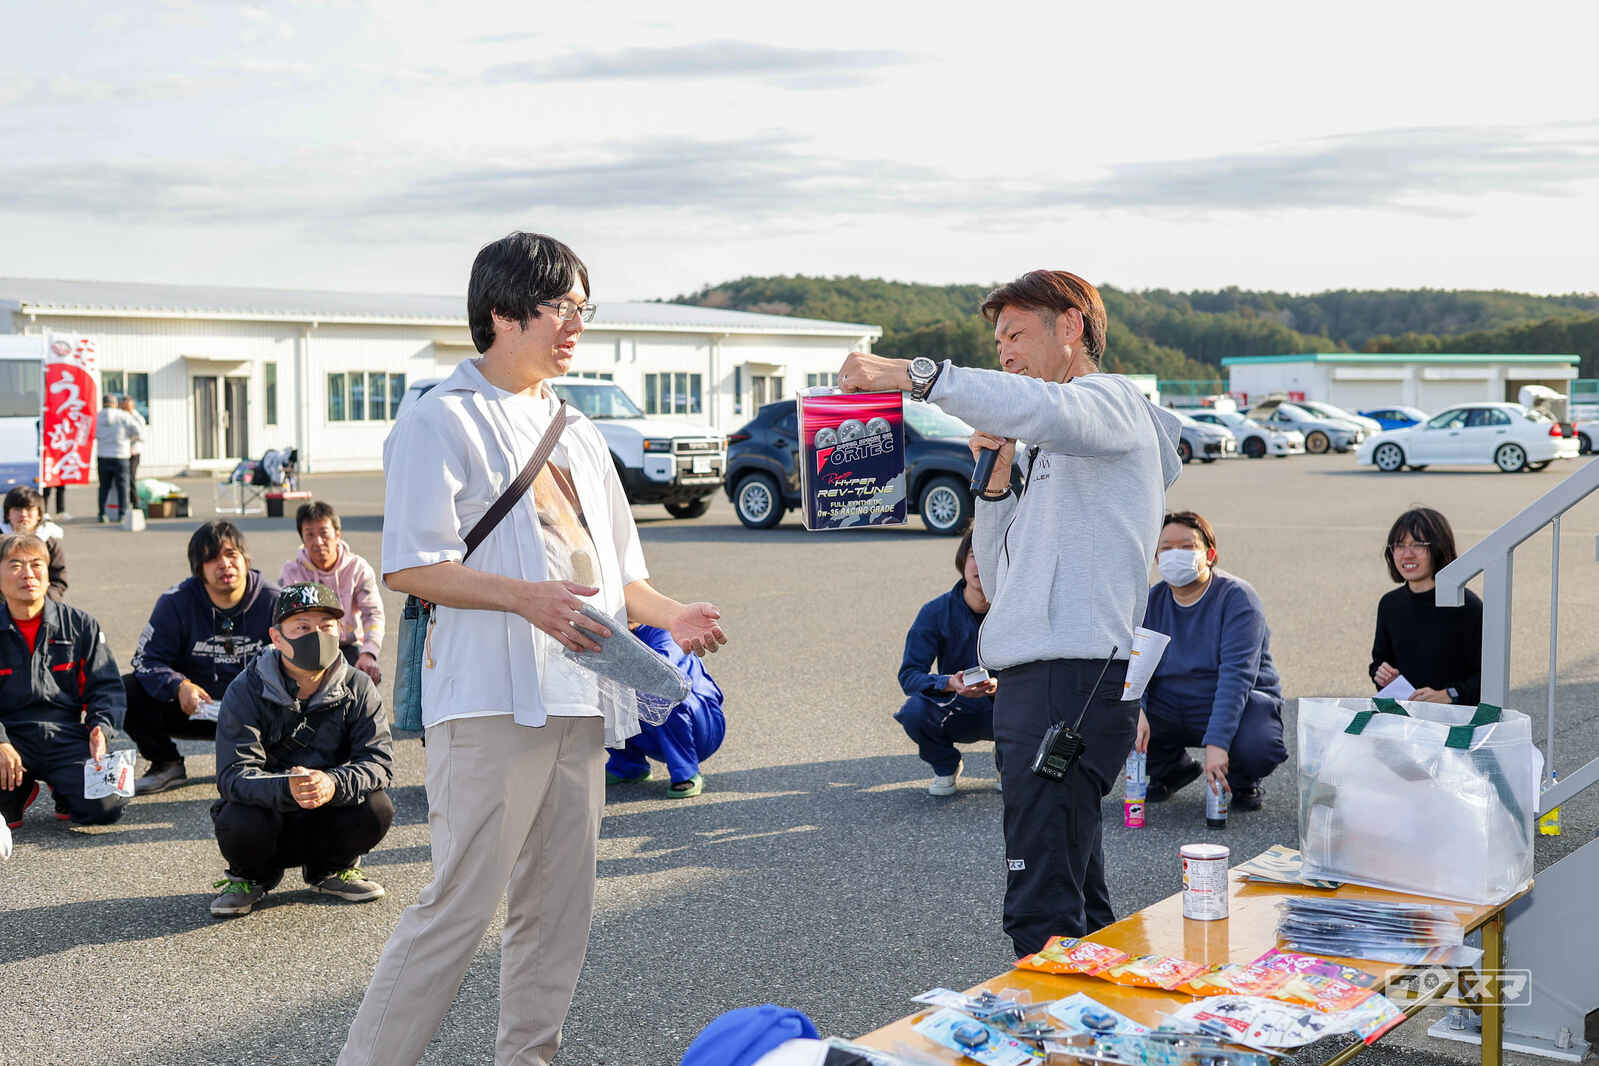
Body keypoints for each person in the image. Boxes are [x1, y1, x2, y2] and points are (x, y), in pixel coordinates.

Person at [339, 231, 728, 1066]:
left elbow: (620, 573)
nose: (576, 324)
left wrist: (674, 614)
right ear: (502, 313)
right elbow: (410, 564)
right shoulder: (440, 417)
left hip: (581, 695)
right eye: (561, 307)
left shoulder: (576, 428)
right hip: (487, 699)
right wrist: (525, 599)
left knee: (557, 910)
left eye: (583, 307)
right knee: (457, 906)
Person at [839, 269, 1182, 956]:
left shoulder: (1110, 404)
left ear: (1071, 327)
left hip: (1071, 677)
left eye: (1016, 334)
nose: (1004, 352)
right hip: (1037, 678)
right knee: (1071, 879)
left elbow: (1040, 406)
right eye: (997, 342)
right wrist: (995, 491)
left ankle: (1050, 1015)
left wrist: (912, 375)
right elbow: (1001, 582)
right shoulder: (1053, 446)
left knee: (1041, 898)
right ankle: (1097, 1009)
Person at [208, 582, 395, 918]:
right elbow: (233, 775)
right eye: (303, 627)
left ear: (341, 631)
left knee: (377, 806)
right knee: (238, 817)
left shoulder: (358, 686)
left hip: (329, 809)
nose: (317, 636)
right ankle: (250, 877)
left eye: (326, 626)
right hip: (269, 815)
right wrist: (287, 787)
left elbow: (378, 762)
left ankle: (331, 869)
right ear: (277, 638)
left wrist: (332, 783)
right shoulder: (245, 690)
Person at [1134, 511, 1286, 812]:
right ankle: (1170, 768)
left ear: (1210, 554)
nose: (1175, 554)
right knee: (1117, 718)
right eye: (1166, 548)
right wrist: (1135, 711)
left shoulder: (1237, 598)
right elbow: (1138, 668)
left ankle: (1242, 779)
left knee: (1258, 743)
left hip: (1229, 699)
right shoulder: (1152, 601)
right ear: (1156, 558)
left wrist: (1217, 744)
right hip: (1172, 702)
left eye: (1187, 546)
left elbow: (1236, 677)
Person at [124, 520, 278, 794]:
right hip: (195, 710)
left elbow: (299, 664)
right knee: (126, 689)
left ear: (245, 559)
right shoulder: (175, 602)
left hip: (255, 713)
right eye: (212, 558)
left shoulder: (274, 601)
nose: (225, 564)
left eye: (231, 554)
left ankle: (274, 761)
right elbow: (145, 661)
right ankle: (166, 763)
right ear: (199, 569)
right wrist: (179, 685)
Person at [0, 533, 128, 830]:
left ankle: (63, 788)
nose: (28, 574)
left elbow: (106, 687)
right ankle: (17, 791)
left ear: (48, 574)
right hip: (9, 738)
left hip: (66, 736)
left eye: (36, 564)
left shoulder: (80, 625)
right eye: (16, 565)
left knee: (106, 806)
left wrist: (101, 728)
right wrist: (1, 742)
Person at [894, 527, 999, 796]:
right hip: (955, 706)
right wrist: (948, 683)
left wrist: (1001, 685)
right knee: (914, 712)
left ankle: (1009, 762)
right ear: (962, 561)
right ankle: (946, 765)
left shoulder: (1016, 612)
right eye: (974, 555)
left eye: (990, 556)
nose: (981, 565)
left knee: (1046, 703)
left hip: (1004, 706)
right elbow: (909, 675)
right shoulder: (935, 612)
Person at [1370, 507, 1483, 705]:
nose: (1407, 554)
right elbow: (1379, 662)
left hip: (1456, 719)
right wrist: (1383, 676)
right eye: (1399, 545)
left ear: (1439, 548)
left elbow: (1489, 676)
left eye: (1418, 545)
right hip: (1406, 715)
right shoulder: (1390, 604)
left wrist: (1449, 694)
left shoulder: (1467, 607)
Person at [604, 622, 726, 797]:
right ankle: (628, 766)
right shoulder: (610, 633)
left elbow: (660, 673)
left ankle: (685, 772)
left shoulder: (663, 631)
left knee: (663, 696)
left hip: (700, 727)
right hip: (653, 731)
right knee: (595, 691)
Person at [279, 500, 385, 683]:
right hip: (305, 647)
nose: (318, 541)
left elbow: (373, 615)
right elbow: (284, 620)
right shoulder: (291, 572)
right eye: (309, 535)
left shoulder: (358, 569)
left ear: (337, 534)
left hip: (348, 646)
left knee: (365, 678)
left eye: (324, 533)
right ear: (302, 538)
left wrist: (369, 653)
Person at [2, 486, 67, 600]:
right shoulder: (1, 542)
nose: (23, 514)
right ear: (7, 514)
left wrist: (44, 601)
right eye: (17, 509)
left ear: (39, 514)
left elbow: (58, 579)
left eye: (29, 509)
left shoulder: (49, 543)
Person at [94, 393, 141, 524]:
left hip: (103, 455)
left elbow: (91, 433)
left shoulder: (97, 417)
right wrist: (130, 439)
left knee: (104, 487)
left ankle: (102, 513)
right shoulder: (123, 416)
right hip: (121, 455)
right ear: (115, 404)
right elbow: (138, 431)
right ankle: (122, 514)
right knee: (123, 487)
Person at [119, 395, 148, 512]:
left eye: (126, 407)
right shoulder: (121, 417)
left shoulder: (138, 418)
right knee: (123, 479)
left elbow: (142, 436)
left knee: (131, 477)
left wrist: (130, 440)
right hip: (122, 452)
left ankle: (136, 503)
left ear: (132, 406)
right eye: (122, 407)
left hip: (134, 451)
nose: (123, 409)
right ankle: (126, 503)